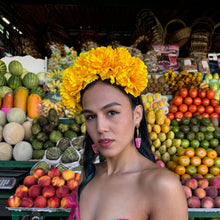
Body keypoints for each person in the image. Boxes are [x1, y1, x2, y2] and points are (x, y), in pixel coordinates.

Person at [61, 46, 188, 220]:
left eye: (112, 112)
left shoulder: (162, 186)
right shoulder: (88, 175)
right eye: (91, 116)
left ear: (137, 115)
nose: (100, 127)